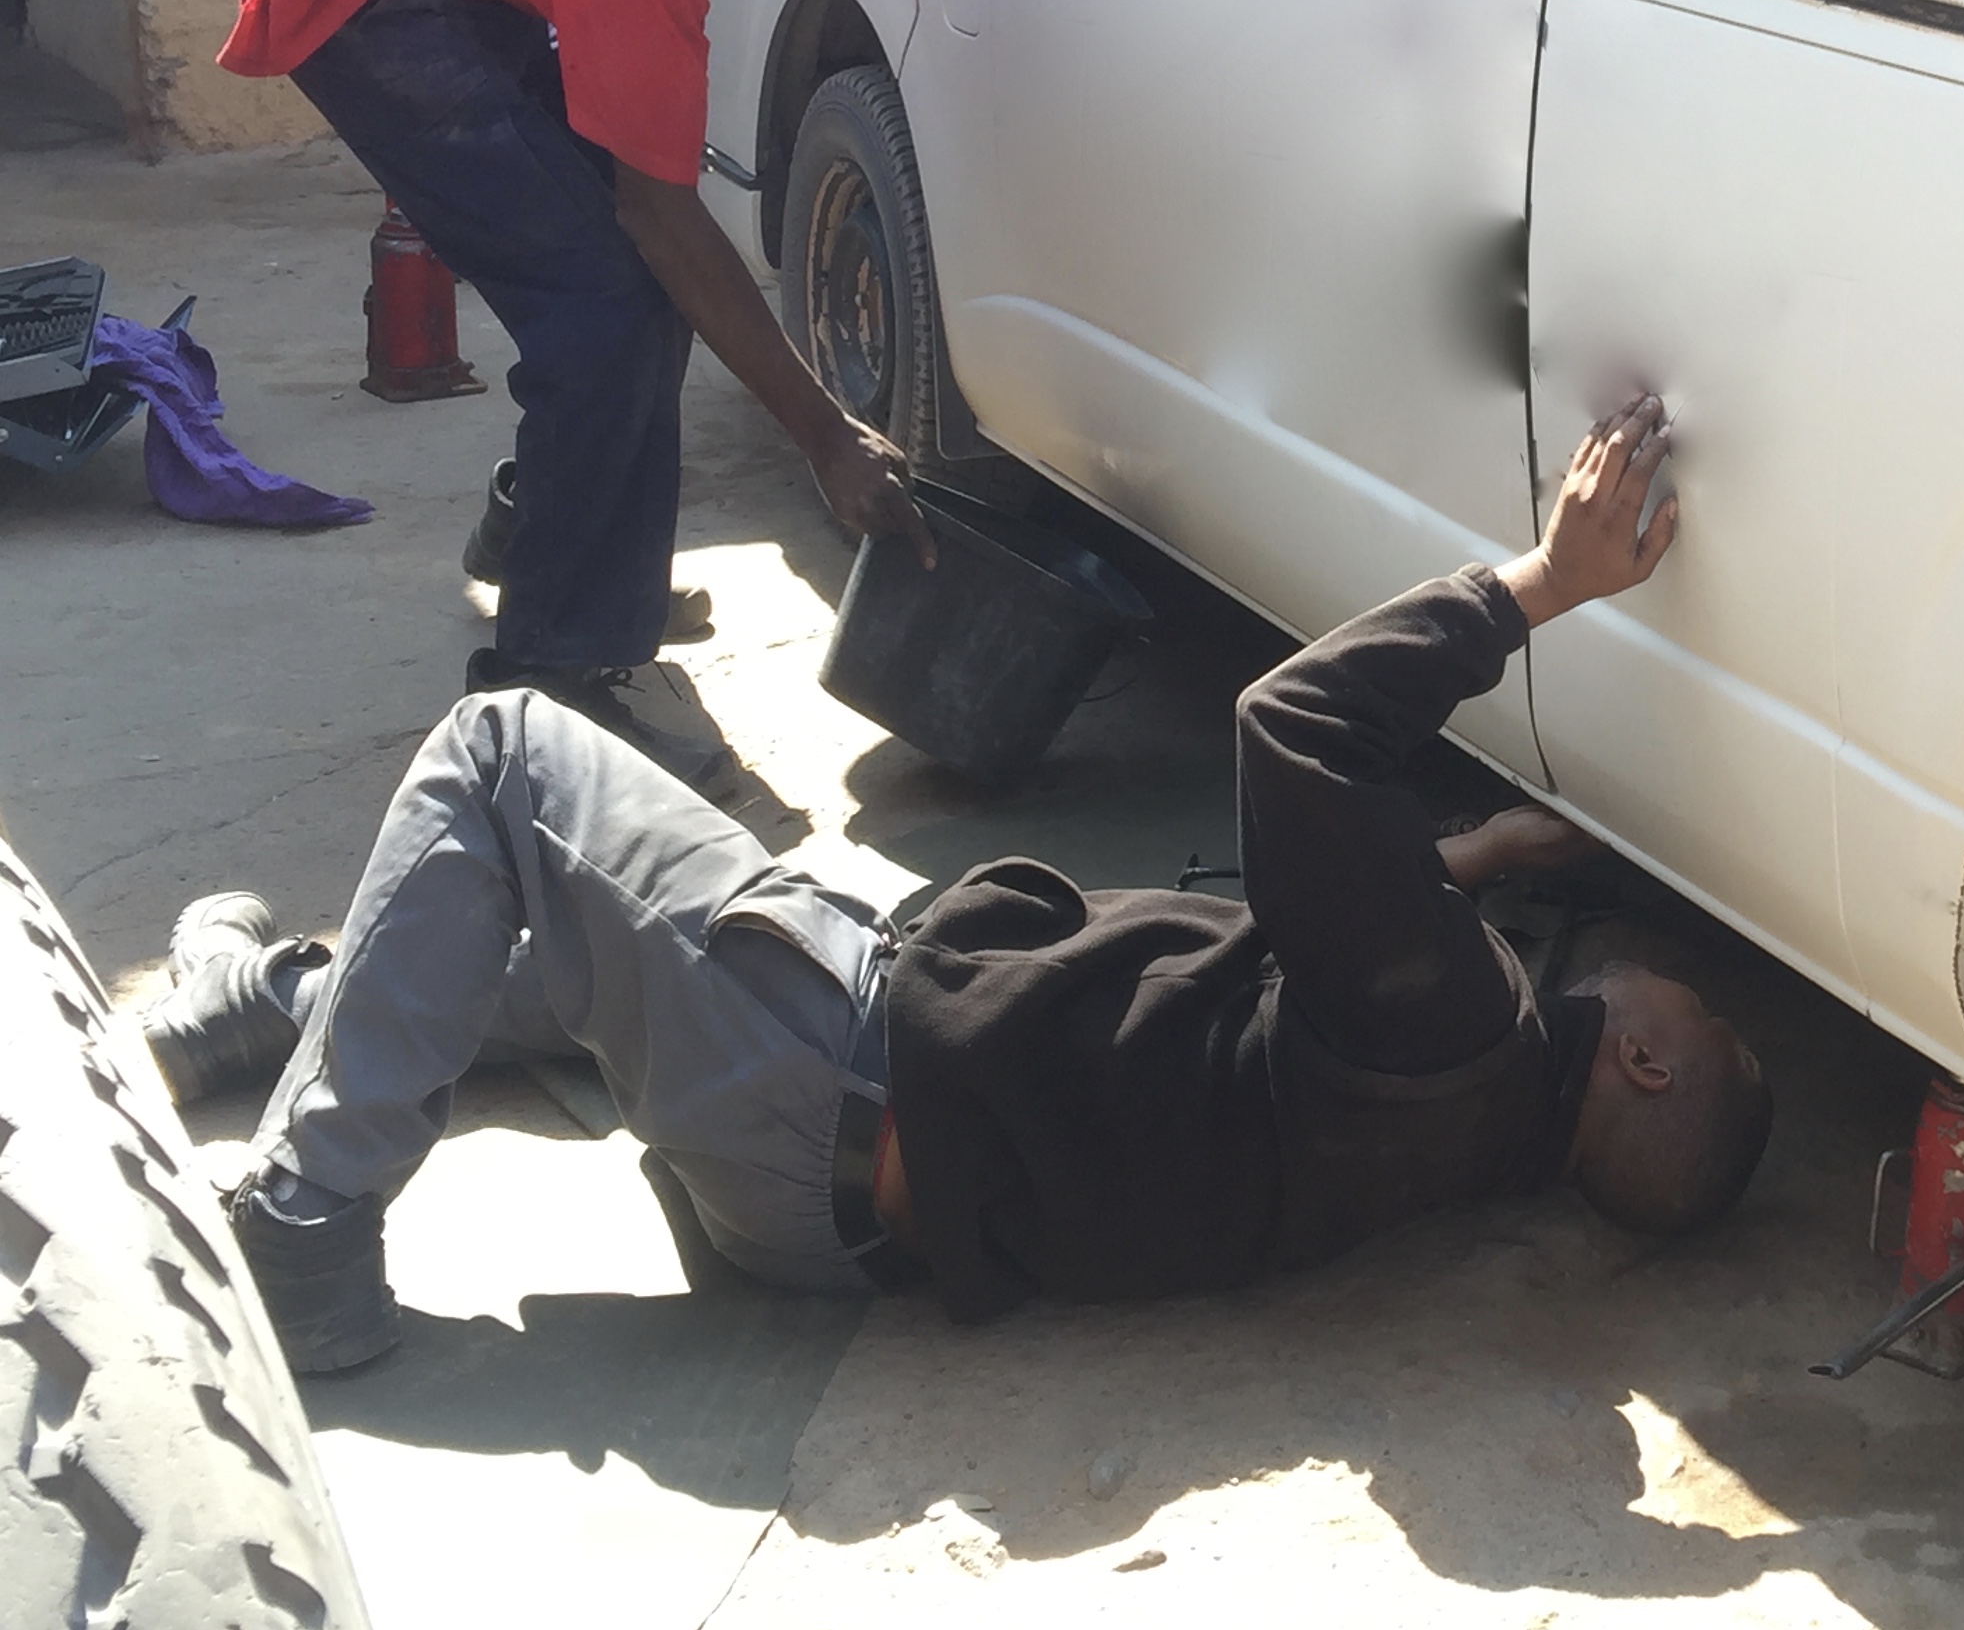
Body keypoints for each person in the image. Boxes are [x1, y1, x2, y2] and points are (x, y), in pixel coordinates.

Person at [145, 399, 1773, 1373]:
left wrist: (1543, 581)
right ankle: (273, 1003)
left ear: (1638, 1055)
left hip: (832, 1076)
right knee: (610, 927)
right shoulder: (1459, 1123)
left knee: (504, 758)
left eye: (1679, 1005)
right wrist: (1467, 856)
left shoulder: (1454, 1030)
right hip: (851, 1212)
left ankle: (305, 1234)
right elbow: (1328, 959)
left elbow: (1292, 730)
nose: (1657, 978)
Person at [217, 0, 943, 789]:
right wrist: (826, 432)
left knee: (634, 290)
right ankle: (552, 675)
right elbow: (658, 215)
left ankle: (545, 543)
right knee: (606, 303)